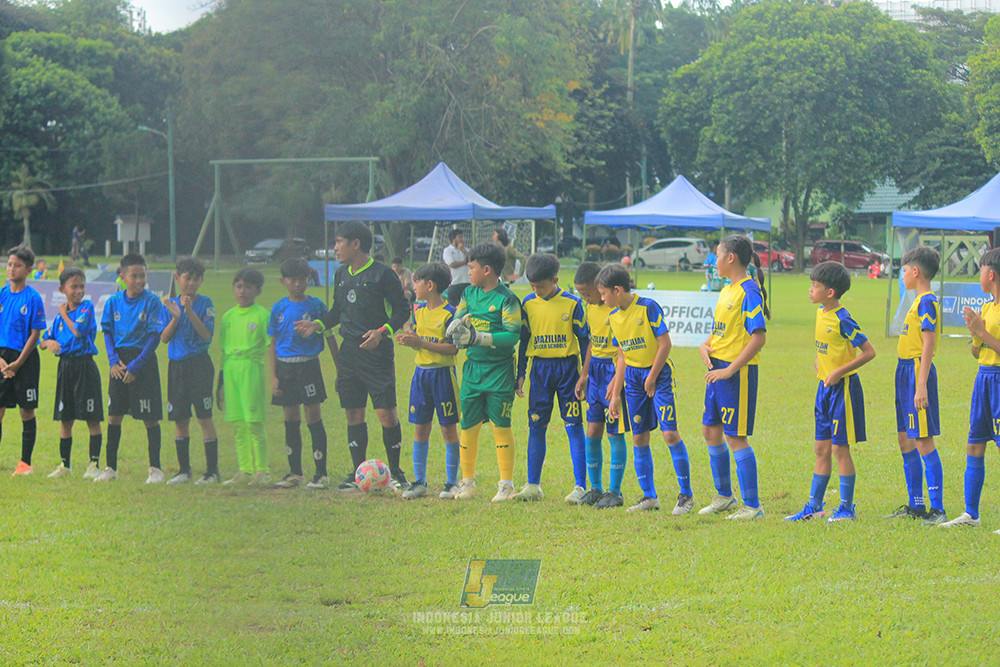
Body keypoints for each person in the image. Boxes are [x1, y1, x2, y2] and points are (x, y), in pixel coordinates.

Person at [296, 221, 410, 492]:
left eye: (339, 242)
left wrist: (382, 332)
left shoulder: (383, 275)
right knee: (353, 414)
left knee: (386, 416)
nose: (335, 248)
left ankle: (395, 473)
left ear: (356, 244)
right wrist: (319, 325)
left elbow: (402, 311)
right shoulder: (340, 274)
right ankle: (359, 474)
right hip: (349, 354)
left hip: (377, 353)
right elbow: (338, 310)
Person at [600, 263, 694, 514]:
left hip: (657, 375)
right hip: (633, 379)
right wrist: (616, 394)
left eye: (603, 293)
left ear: (617, 290)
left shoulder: (648, 307)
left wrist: (652, 376)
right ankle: (649, 497)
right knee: (639, 436)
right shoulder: (612, 317)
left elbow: (665, 344)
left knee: (669, 434)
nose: (601, 298)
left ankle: (686, 496)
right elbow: (622, 355)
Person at [785, 261, 875, 522]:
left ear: (831, 292)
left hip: (843, 390)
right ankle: (814, 506)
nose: (810, 290)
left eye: (815, 286)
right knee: (821, 449)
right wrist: (820, 362)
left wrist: (839, 372)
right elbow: (826, 347)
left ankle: (847, 508)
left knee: (839, 449)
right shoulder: (820, 313)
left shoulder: (843, 319)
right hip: (823, 389)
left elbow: (869, 351)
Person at [444, 242, 522, 501]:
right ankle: (467, 482)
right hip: (473, 370)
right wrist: (455, 325)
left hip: (499, 371)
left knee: (501, 425)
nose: (469, 272)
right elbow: (461, 317)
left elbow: (512, 336)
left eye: (472, 267)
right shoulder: (468, 293)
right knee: (468, 425)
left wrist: (479, 337)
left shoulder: (507, 299)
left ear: (487, 269)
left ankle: (506, 484)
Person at [697, 235, 768, 520]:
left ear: (730, 258)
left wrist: (731, 369)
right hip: (718, 371)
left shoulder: (749, 291)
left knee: (735, 436)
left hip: (735, 373)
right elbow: (722, 332)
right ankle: (725, 497)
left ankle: (753, 506)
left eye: (717, 256)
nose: (714, 262)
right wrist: (706, 344)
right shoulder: (727, 289)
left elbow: (758, 337)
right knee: (711, 431)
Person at [512, 253, 589, 503]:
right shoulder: (527, 304)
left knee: (574, 425)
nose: (536, 291)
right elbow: (524, 340)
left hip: (567, 370)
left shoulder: (572, 303)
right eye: (532, 286)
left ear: (555, 280)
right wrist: (521, 372)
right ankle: (533, 485)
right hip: (540, 371)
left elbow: (586, 340)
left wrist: (584, 374)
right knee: (536, 425)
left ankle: (580, 487)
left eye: (541, 286)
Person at [885, 246, 947, 524]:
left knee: (922, 439)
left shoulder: (926, 301)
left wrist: (920, 384)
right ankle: (916, 504)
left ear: (915, 271)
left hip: (915, 372)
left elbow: (929, 343)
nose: (902, 274)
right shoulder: (917, 299)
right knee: (905, 437)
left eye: (904, 269)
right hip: (904, 371)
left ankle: (937, 508)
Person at [941, 248, 1000, 528]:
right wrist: (975, 334)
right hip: (984, 378)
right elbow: (978, 353)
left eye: (980, 271)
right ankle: (971, 514)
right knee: (974, 443)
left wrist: (983, 331)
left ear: (991, 274)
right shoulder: (987, 308)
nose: (979, 277)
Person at [97, 253, 168, 482]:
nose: (139, 280)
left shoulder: (153, 302)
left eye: (143, 276)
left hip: (143, 361)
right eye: (134, 276)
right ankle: (110, 469)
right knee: (114, 416)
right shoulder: (113, 302)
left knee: (149, 417)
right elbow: (107, 332)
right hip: (119, 361)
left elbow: (154, 337)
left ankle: (155, 469)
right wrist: (112, 360)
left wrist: (136, 365)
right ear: (122, 277)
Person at [394, 262, 461, 499]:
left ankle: (451, 483)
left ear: (429, 285)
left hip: (442, 376)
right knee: (420, 427)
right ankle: (419, 482)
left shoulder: (451, 314)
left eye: (416, 282)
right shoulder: (418, 310)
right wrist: (411, 340)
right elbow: (418, 338)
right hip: (420, 375)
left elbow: (453, 349)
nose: (413, 286)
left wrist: (421, 343)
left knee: (447, 429)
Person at [269, 258, 336, 489]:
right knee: (290, 418)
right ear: (283, 281)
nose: (298, 283)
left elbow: (329, 335)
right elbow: (273, 343)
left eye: (302, 278)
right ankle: (295, 473)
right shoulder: (278, 308)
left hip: (309, 366)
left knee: (313, 416)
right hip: (285, 367)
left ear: (309, 278)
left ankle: (321, 474)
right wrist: (274, 375)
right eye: (292, 279)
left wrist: (340, 369)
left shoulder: (317, 306)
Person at [573, 262, 631, 509]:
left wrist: (617, 385)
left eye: (587, 292)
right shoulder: (589, 308)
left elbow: (623, 351)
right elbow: (591, 345)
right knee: (593, 430)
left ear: (601, 287)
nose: (585, 297)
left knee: (614, 431)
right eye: (582, 294)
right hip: (595, 370)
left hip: (613, 370)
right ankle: (595, 488)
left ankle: (614, 491)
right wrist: (584, 375)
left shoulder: (616, 310)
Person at [38, 267, 104, 478]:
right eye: (74, 286)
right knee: (65, 418)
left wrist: (64, 313)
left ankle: (93, 465)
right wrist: (49, 343)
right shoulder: (57, 320)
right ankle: (65, 465)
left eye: (82, 286)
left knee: (91, 418)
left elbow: (78, 331)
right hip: (65, 368)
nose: (79, 290)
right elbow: (42, 340)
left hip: (85, 367)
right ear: (62, 289)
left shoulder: (86, 308)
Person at [160, 258, 219, 485]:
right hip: (176, 367)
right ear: (177, 278)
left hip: (199, 366)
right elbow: (164, 339)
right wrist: (176, 317)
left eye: (195, 279)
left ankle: (212, 471)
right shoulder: (169, 304)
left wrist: (189, 312)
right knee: (180, 419)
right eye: (187, 278)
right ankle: (184, 471)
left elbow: (206, 335)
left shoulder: (206, 304)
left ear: (201, 281)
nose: (191, 283)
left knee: (204, 417)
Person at [217, 267, 271, 486]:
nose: (242, 291)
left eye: (247, 287)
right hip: (231, 369)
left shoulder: (262, 315)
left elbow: (271, 346)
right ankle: (245, 469)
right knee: (238, 423)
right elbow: (222, 349)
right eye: (238, 286)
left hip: (251, 368)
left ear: (257, 291)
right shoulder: (228, 317)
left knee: (254, 422)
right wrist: (220, 379)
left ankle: (263, 471)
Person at [0, 245, 46, 476]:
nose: (11, 268)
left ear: (28, 270)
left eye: (17, 265)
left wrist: (18, 362)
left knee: (26, 411)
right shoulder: (2, 294)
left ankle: (25, 464)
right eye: (9, 264)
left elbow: (35, 334)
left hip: (25, 359)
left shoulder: (33, 298)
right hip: (1, 359)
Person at [443, 229, 469, 306]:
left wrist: (463, 251)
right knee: (453, 306)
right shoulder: (448, 250)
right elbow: (452, 264)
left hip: (467, 282)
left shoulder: (466, 250)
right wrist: (465, 262)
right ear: (453, 239)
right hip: (455, 283)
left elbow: (471, 261)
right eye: (459, 237)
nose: (462, 239)